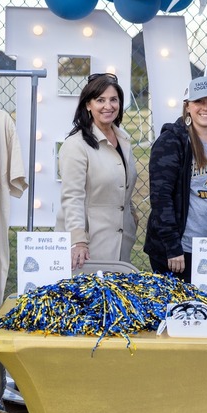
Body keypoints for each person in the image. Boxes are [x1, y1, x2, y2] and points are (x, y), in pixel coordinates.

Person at [144, 76, 207, 281]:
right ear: (187, 107)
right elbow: (161, 198)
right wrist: (172, 247)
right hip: (181, 250)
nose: (206, 107)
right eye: (198, 101)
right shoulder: (171, 141)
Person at [56, 73, 138, 268]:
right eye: (100, 100)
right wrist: (78, 241)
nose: (108, 106)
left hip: (121, 242)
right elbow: (72, 197)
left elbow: (122, 183)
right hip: (90, 248)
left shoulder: (124, 140)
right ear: (88, 104)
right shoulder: (76, 145)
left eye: (113, 100)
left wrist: (132, 214)